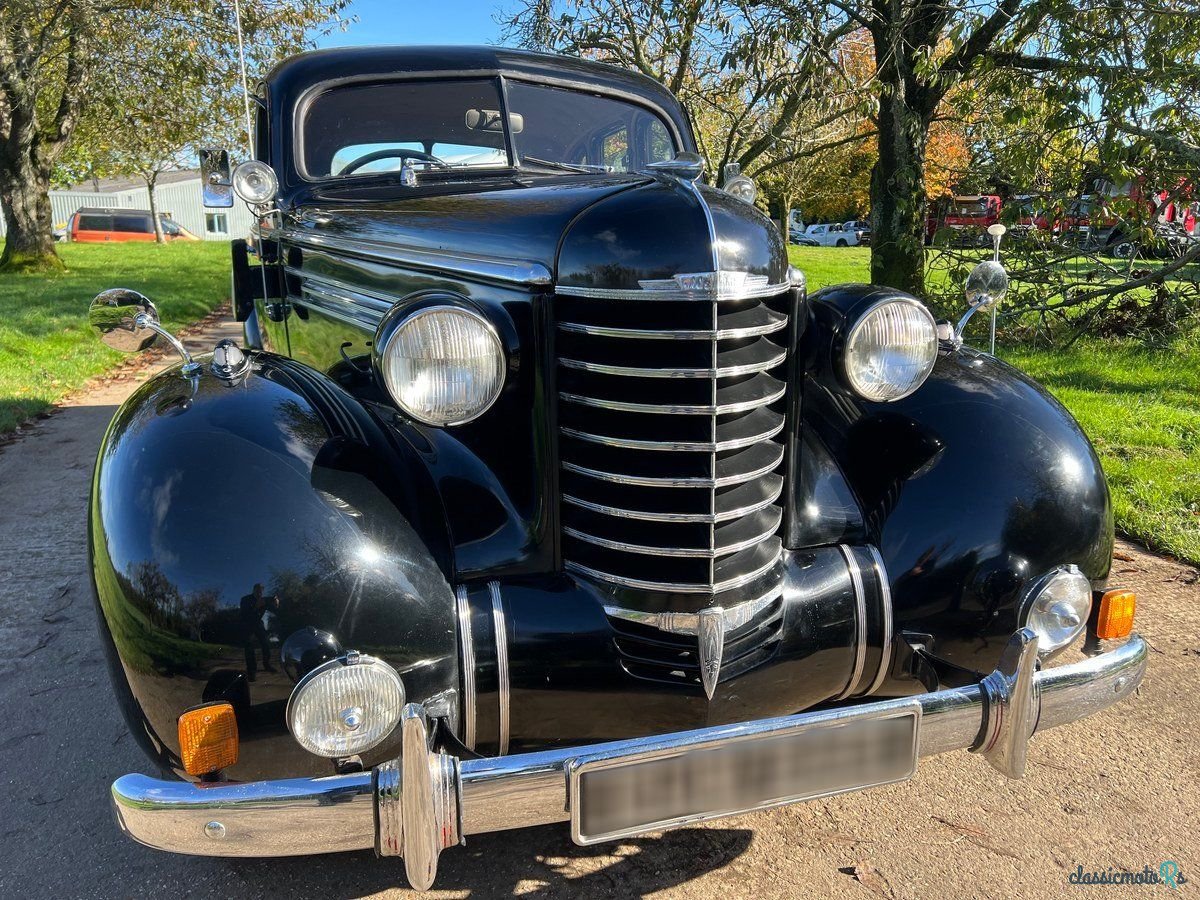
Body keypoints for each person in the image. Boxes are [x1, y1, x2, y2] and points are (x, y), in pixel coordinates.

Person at [239, 583, 277, 680]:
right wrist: (255, 607)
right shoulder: (245, 599)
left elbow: (273, 603)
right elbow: (243, 614)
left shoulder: (264, 600)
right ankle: (251, 671)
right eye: (257, 590)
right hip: (247, 624)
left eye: (261, 590)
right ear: (254, 589)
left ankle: (267, 664)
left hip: (258, 624)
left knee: (265, 643)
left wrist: (276, 600)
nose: (259, 592)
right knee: (249, 647)